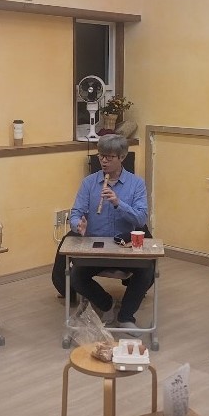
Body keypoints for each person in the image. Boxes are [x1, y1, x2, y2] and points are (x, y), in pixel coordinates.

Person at [68, 134, 153, 334]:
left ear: (122, 157)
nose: (104, 161)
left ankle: (126, 317)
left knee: (147, 272)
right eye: (101, 156)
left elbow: (141, 219)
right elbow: (76, 212)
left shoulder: (136, 184)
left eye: (109, 157)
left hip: (125, 247)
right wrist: (77, 225)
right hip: (96, 245)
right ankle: (106, 303)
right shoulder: (89, 183)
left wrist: (118, 203)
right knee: (76, 276)